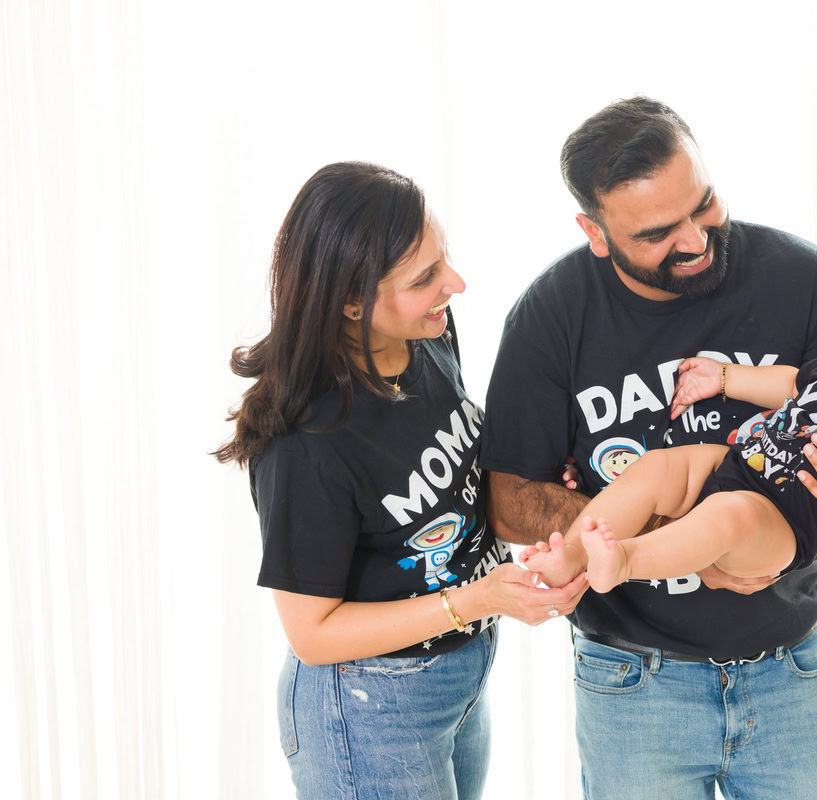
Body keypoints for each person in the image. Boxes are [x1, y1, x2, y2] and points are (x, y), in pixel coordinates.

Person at [480, 97, 817, 798]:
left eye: (706, 206)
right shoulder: (552, 314)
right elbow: (508, 501)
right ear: (595, 232)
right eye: (659, 233)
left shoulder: (801, 279)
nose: (695, 240)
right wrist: (696, 542)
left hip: (791, 670)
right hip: (635, 681)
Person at [213, 162, 587, 800]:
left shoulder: (427, 338)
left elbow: (452, 474)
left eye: (445, 259)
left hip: (460, 672)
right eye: (425, 280)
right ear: (352, 302)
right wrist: (478, 599)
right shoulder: (307, 441)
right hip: (368, 704)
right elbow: (312, 634)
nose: (457, 284)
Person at [522, 275, 817, 596]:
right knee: (658, 466)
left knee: (728, 516)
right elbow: (791, 384)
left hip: (781, 525)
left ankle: (622, 562)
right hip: (738, 466)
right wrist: (725, 378)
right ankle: (570, 556)